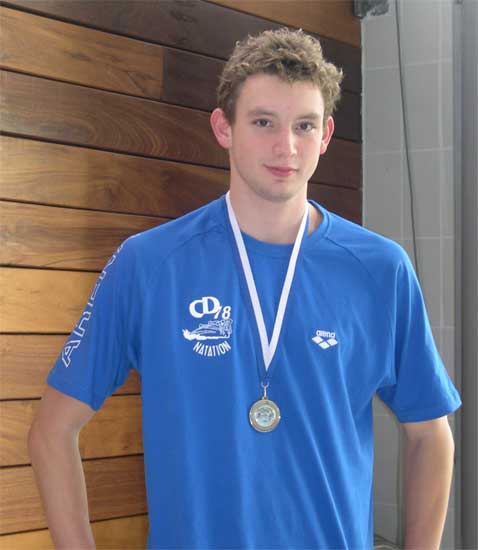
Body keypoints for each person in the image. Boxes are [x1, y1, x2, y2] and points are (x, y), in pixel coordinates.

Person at [28, 28, 461, 550]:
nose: (286, 147)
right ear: (223, 127)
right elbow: (52, 431)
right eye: (263, 122)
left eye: (304, 125)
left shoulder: (380, 270)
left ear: (326, 134)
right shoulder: (149, 263)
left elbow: (431, 433)